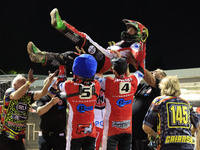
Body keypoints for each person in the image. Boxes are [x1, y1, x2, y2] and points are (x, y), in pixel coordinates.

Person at [27, 8, 148, 74]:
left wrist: (139, 49)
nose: (127, 31)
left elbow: (139, 58)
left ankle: (62, 26)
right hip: (103, 62)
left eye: (131, 30)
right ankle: (42, 57)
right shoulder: (126, 44)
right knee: (71, 57)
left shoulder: (137, 44)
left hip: (106, 60)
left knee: (85, 38)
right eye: (127, 28)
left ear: (139, 34)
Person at [0, 69, 58, 150]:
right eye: (22, 84)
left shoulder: (28, 95)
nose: (25, 87)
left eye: (25, 84)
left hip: (18, 137)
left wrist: (49, 82)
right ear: (15, 85)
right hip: (5, 135)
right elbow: (16, 96)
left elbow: (42, 93)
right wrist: (28, 83)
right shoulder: (10, 92)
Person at [97, 52, 145, 150]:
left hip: (111, 130)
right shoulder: (133, 80)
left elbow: (92, 77)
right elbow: (141, 71)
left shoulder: (109, 82)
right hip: (127, 129)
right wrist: (137, 61)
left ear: (113, 71)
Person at [143, 76, 200, 150]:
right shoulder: (186, 103)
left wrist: (155, 136)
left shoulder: (159, 101)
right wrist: (186, 133)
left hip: (167, 146)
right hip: (187, 146)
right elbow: (196, 126)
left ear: (163, 87)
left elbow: (146, 127)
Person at [57, 54, 101, 150]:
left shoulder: (69, 85)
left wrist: (62, 67)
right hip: (91, 130)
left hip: (75, 132)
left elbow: (59, 84)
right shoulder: (97, 85)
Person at [132, 68, 166, 150]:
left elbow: (150, 79)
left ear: (162, 76)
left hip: (148, 136)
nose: (152, 72)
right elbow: (130, 83)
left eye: (155, 72)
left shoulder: (162, 87)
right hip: (134, 135)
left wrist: (139, 65)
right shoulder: (143, 87)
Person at [36, 77, 67, 150]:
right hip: (45, 135)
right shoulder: (42, 98)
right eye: (53, 84)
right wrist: (51, 103)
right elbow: (39, 112)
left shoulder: (63, 97)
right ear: (47, 85)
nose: (55, 86)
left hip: (60, 135)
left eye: (56, 84)